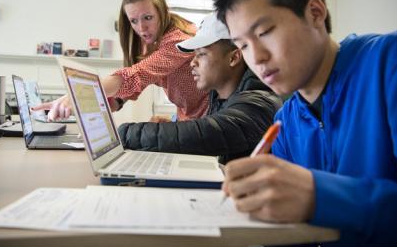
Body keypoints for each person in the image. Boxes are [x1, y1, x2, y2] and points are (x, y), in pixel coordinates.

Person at [214, 0, 397, 247]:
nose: (256, 58)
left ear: (315, 13)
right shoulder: (286, 121)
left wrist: (319, 196)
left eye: (265, 31)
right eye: (243, 45)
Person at [118, 13, 282, 164]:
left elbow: (210, 134)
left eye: (201, 54)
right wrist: (172, 126)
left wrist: (123, 134)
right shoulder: (222, 100)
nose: (192, 62)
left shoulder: (259, 103)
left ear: (233, 57)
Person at [33, 0, 208, 121]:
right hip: (185, 116)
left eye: (148, 17)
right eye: (133, 20)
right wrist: (108, 103)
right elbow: (132, 87)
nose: (141, 28)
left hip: (208, 121)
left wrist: (78, 94)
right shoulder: (151, 40)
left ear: (162, 12)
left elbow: (138, 74)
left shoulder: (181, 40)